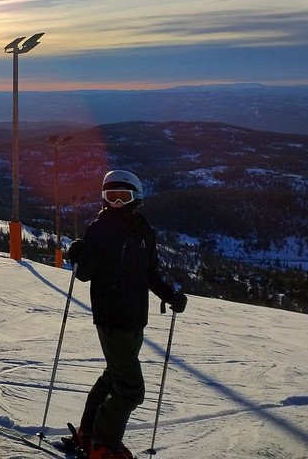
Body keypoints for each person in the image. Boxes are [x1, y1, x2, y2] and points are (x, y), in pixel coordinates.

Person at [66, 170, 187, 459]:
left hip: (135, 319)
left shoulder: (144, 231)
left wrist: (170, 295)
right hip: (111, 319)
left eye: (123, 197)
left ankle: (88, 433)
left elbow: (149, 273)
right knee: (131, 389)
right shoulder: (98, 230)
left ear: (136, 198)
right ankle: (103, 445)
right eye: (111, 197)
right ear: (104, 199)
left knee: (114, 376)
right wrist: (79, 255)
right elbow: (85, 274)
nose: (117, 204)